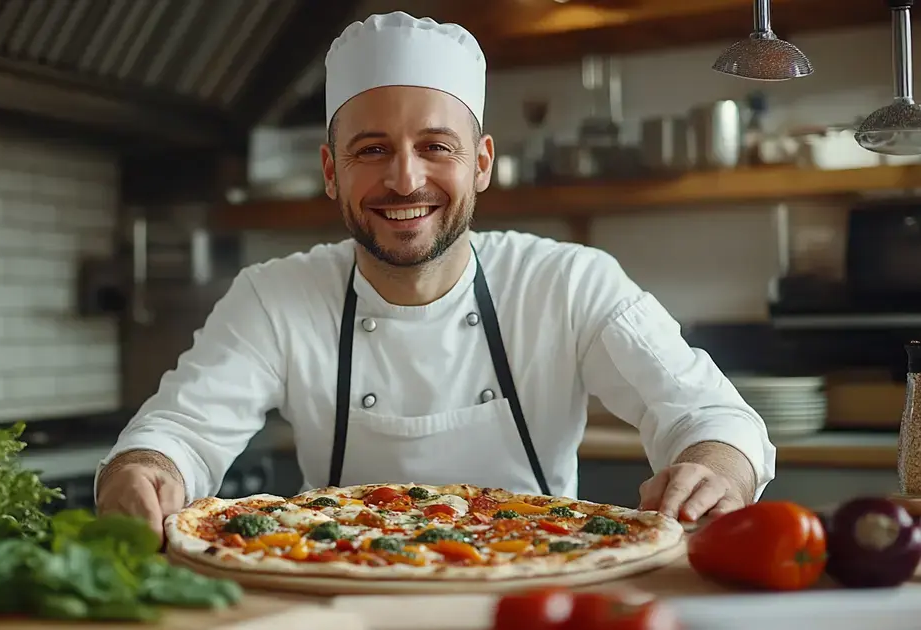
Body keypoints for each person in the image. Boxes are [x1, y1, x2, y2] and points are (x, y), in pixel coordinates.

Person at [95, 11, 777, 542]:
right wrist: (144, 472)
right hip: (332, 594)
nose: (404, 179)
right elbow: (177, 436)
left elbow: (711, 416)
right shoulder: (274, 297)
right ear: (331, 173)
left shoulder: (569, 282)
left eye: (435, 147)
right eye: (371, 150)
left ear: (480, 163)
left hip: (534, 595)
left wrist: (714, 468)